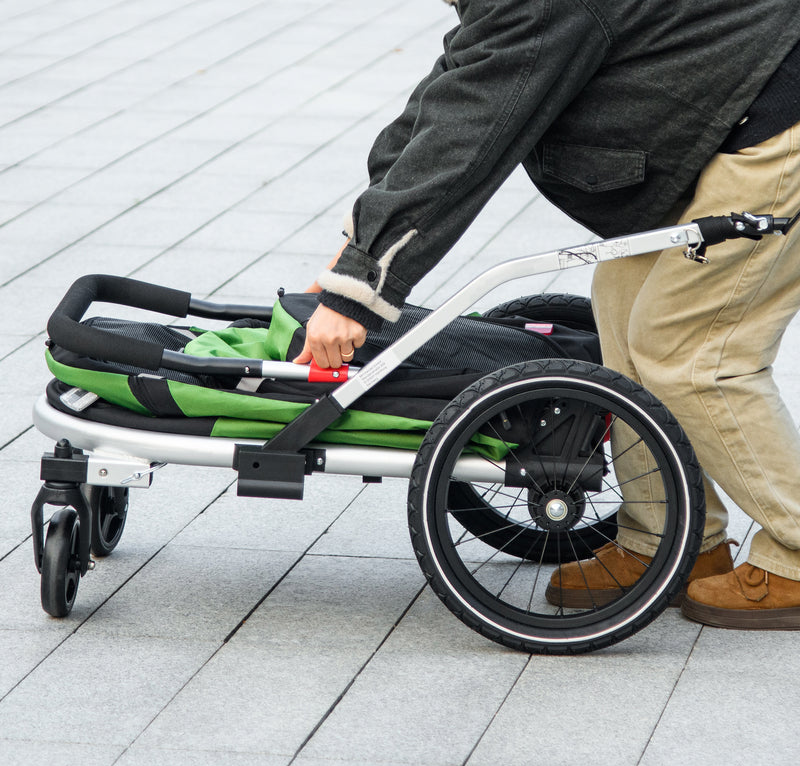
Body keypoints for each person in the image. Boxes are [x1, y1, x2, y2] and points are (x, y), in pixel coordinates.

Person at [293, 0, 800, 629]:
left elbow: (472, 127)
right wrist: (356, 251)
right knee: (623, 324)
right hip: (719, 115)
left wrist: (359, 291)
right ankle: (670, 542)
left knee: (691, 354)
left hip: (776, 124)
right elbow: (448, 93)